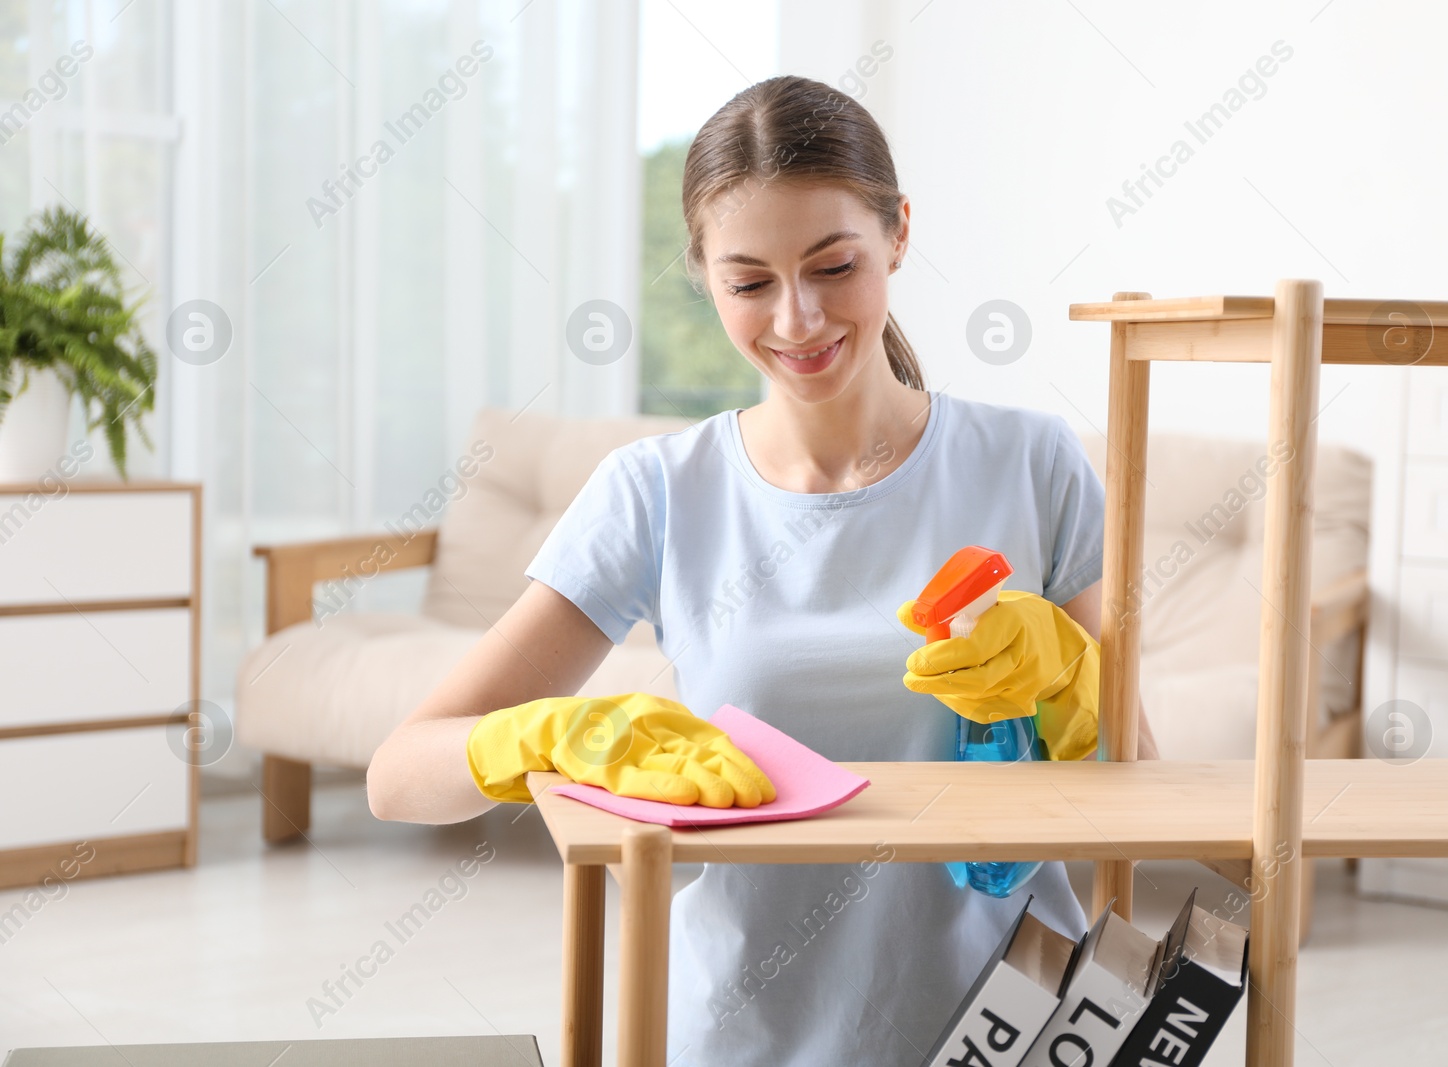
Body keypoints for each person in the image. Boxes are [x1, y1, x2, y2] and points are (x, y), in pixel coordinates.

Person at [366, 73, 1158, 1066]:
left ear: (898, 234)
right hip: (733, 1041)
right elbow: (399, 777)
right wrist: (552, 733)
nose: (797, 317)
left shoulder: (1030, 465)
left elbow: (1147, 783)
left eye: (834, 266)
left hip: (1007, 1035)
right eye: (750, 281)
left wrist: (1073, 683)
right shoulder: (656, 490)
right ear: (702, 274)